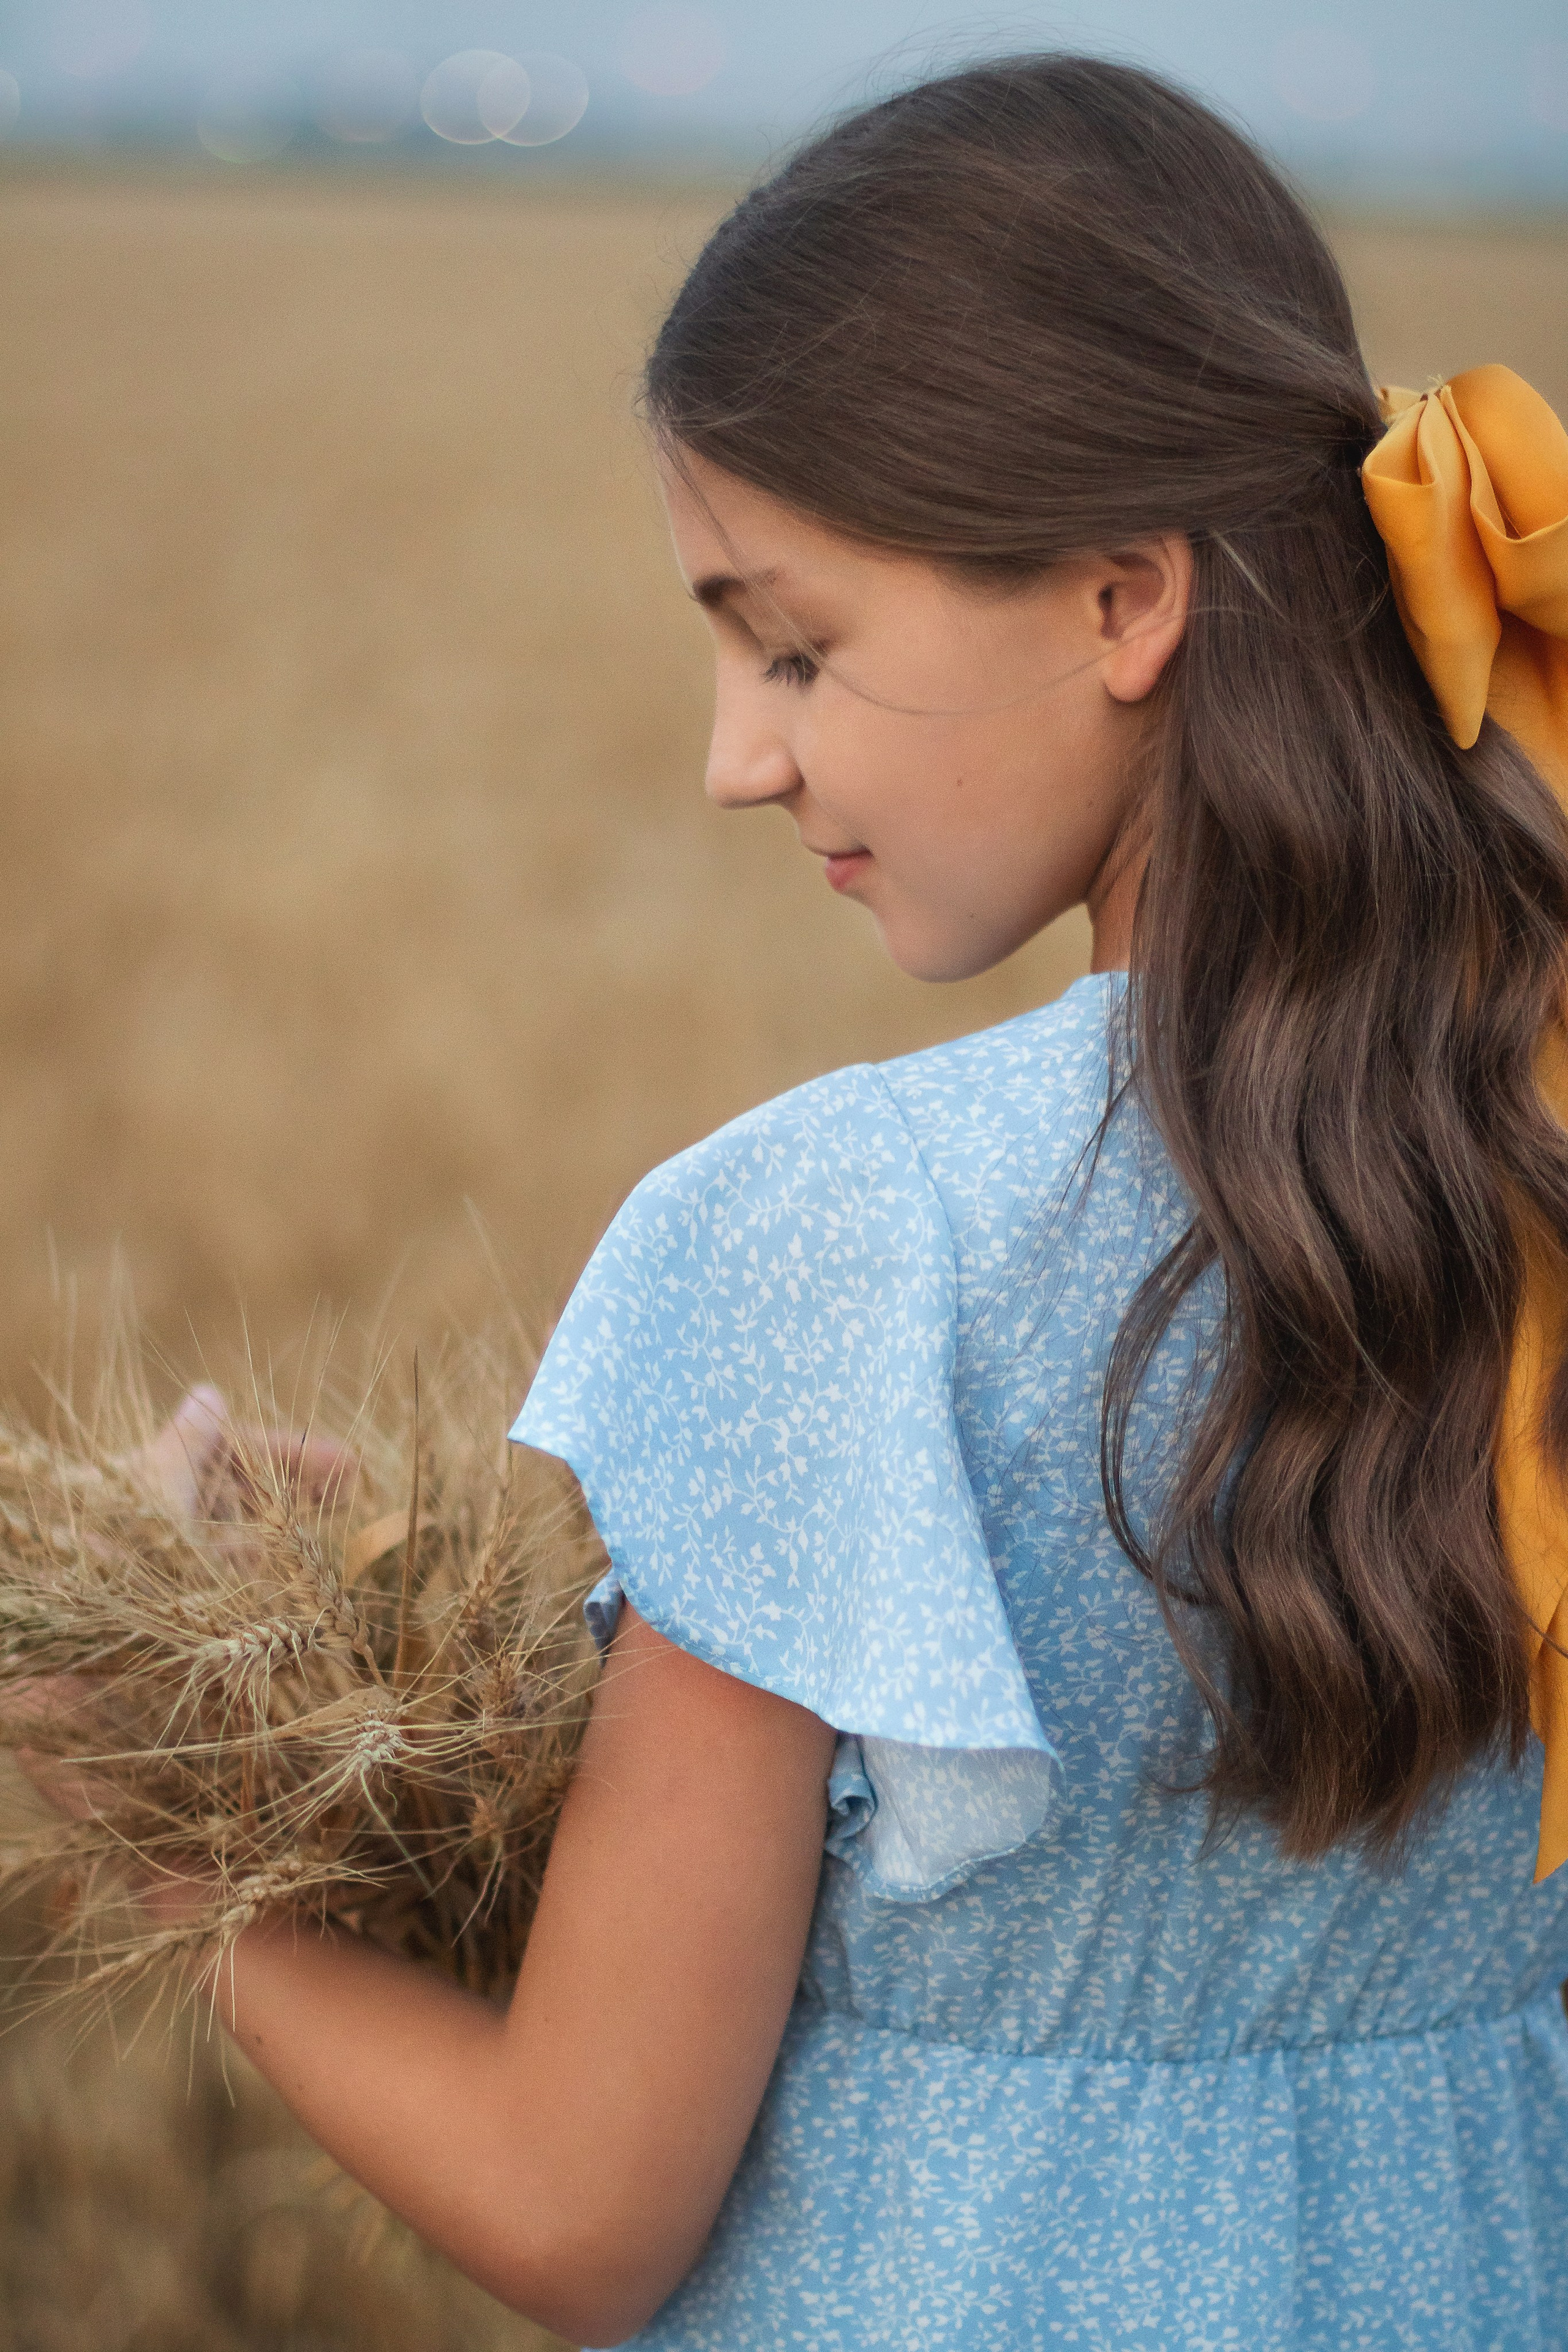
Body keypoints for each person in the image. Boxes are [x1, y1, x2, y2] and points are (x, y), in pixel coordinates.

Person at [59, 53, 1568, 2351]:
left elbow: (582, 2207)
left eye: (792, 640)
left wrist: (172, 1815)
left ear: (1121, 598)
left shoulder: (831, 1239)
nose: (734, 755)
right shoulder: (1528, 1127)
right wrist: (419, 1655)